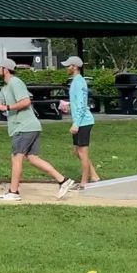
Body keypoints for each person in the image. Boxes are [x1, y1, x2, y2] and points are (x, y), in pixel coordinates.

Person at [0, 58, 74, 202]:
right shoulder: (5, 88)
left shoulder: (15, 83)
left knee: (16, 158)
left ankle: (13, 192)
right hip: (30, 127)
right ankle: (63, 181)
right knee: (33, 158)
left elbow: (26, 101)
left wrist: (8, 108)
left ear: (5, 69)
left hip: (23, 127)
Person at [61, 56, 99, 190]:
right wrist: (69, 105)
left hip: (83, 122)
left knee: (82, 153)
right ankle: (94, 176)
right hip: (80, 121)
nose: (66, 68)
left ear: (75, 67)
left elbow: (83, 105)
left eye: (68, 65)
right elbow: (78, 101)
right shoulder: (75, 81)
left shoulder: (80, 82)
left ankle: (84, 182)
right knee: (77, 152)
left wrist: (76, 123)